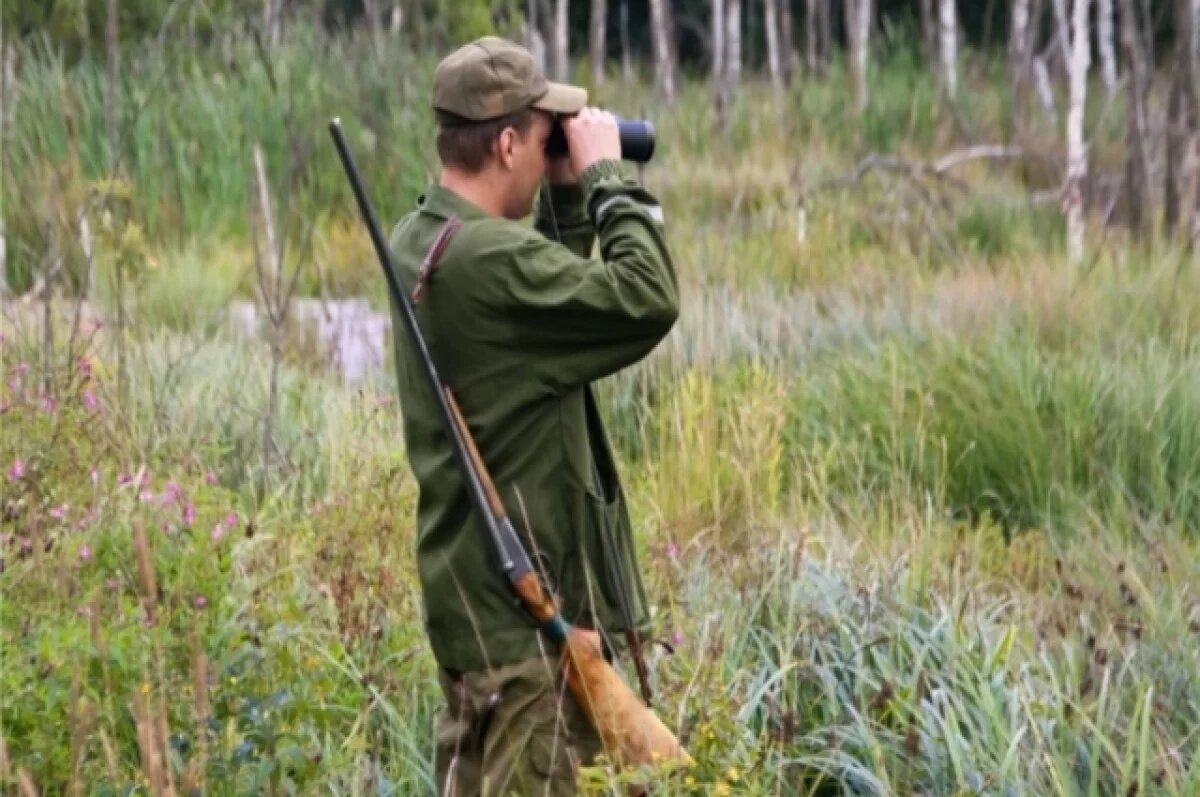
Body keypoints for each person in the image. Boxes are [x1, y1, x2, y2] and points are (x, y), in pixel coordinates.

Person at [386, 35, 679, 795]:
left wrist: (565, 195)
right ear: (509, 140)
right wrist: (609, 178)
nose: (558, 144)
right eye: (545, 131)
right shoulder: (490, 263)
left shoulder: (421, 241)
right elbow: (646, 298)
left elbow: (543, 317)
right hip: (526, 652)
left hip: (473, 623)